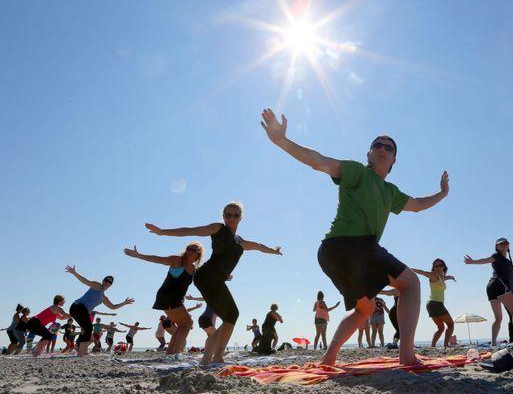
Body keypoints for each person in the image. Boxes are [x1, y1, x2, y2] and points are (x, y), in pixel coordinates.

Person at [260, 108, 449, 365]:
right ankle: (406, 355)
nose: (382, 148)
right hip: (351, 245)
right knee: (411, 283)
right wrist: (281, 141)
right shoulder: (358, 172)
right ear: (369, 153)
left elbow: (416, 204)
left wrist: (442, 194)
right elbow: (319, 161)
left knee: (365, 309)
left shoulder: (390, 192)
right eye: (377, 145)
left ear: (393, 161)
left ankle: (328, 359)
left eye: (389, 148)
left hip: (331, 254)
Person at [145, 201, 282, 365]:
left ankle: (211, 357)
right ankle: (214, 356)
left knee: (231, 316)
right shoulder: (218, 228)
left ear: (241, 218)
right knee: (232, 315)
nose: (231, 218)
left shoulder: (240, 241)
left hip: (214, 279)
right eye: (228, 215)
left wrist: (273, 251)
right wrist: (163, 232)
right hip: (207, 276)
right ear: (223, 216)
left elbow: (259, 246)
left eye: (235, 215)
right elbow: (191, 231)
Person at [123, 242, 204, 355]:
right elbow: (157, 259)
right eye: (189, 248)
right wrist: (139, 255)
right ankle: (176, 353)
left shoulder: (194, 269)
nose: (190, 251)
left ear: (198, 254)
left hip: (176, 298)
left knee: (183, 325)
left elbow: (207, 275)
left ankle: (171, 353)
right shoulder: (178, 260)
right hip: (168, 295)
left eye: (193, 250)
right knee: (187, 323)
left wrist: (223, 277)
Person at [464, 238, 513, 346]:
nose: (504, 244)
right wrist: (472, 262)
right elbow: (486, 260)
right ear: (497, 246)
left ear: (508, 246)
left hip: (491, 287)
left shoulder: (508, 262)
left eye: (506, 243)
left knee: (498, 318)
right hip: (499, 284)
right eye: (501, 243)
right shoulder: (496, 256)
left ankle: (493, 343)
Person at [66, 265, 134, 356]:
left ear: (111, 285)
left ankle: (81, 351)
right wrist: (74, 273)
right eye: (106, 280)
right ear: (103, 281)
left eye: (110, 282)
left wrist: (124, 303)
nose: (108, 282)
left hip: (79, 310)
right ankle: (82, 352)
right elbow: (85, 281)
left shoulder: (103, 297)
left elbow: (112, 307)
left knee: (87, 329)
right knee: (88, 328)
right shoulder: (97, 286)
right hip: (77, 307)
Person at [412, 259, 456, 347]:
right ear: (433, 268)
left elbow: (445, 278)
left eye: (439, 265)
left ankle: (432, 346)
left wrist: (451, 277)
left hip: (432, 305)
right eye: (435, 266)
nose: (437, 268)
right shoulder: (433, 275)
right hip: (435, 304)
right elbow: (422, 272)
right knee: (450, 324)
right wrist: (409, 269)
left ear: (443, 266)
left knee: (441, 328)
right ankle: (446, 345)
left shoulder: (442, 277)